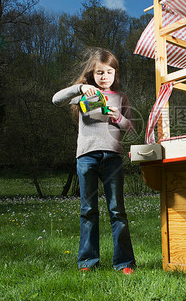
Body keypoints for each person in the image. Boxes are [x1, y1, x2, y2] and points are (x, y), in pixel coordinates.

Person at [52, 48, 136, 275]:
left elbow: (131, 128)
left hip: (112, 157)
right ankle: (88, 262)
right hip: (86, 157)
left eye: (109, 72)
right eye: (99, 72)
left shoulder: (121, 97)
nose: (104, 76)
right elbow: (55, 99)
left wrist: (117, 116)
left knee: (117, 210)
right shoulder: (83, 95)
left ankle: (124, 263)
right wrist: (80, 88)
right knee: (88, 210)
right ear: (92, 73)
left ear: (115, 73)